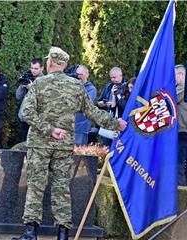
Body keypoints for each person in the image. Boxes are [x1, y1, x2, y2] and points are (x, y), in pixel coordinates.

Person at [12, 47, 127, 240]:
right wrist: (116, 123)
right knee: (62, 188)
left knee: (35, 186)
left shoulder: (39, 84)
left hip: (40, 144)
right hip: (64, 145)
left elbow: (27, 114)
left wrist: (49, 130)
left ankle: (30, 234)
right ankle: (63, 234)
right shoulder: (76, 86)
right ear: (64, 65)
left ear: (49, 63)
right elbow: (93, 113)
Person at [175, 64, 187, 186]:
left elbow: (170, 100)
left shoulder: (182, 87)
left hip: (184, 131)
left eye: (174, 75)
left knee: (179, 164)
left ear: (181, 75)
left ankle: (181, 194)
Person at [97, 67, 127, 146]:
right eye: (111, 78)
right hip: (108, 119)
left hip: (121, 120)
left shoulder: (127, 87)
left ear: (121, 75)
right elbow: (99, 102)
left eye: (114, 77)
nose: (113, 79)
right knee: (105, 145)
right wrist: (104, 104)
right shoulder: (108, 86)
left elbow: (126, 105)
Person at [16, 58, 44, 141]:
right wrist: (22, 85)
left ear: (42, 68)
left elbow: (43, 99)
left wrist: (31, 88)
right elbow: (18, 96)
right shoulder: (28, 77)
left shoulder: (45, 81)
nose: (33, 71)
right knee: (23, 145)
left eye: (36, 68)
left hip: (35, 120)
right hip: (23, 118)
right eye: (31, 68)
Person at [74, 65, 97, 145]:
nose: (78, 77)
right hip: (69, 126)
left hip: (81, 127)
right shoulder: (73, 86)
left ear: (87, 74)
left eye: (81, 74)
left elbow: (83, 105)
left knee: (78, 155)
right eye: (77, 74)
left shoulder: (91, 89)